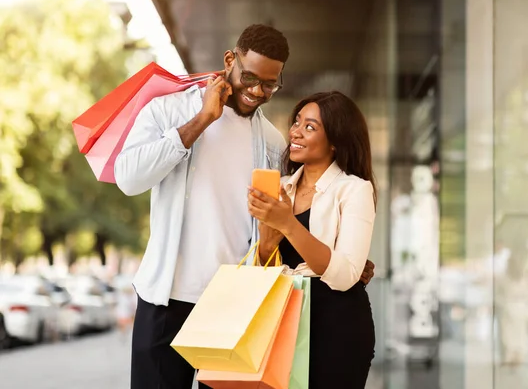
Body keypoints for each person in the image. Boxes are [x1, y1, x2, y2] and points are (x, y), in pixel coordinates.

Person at [114, 25, 375, 389]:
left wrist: (348, 260)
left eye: (270, 84)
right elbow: (129, 178)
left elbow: (285, 216)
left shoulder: (271, 140)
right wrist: (203, 119)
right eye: (250, 77)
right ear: (229, 60)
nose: (257, 91)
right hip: (167, 299)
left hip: (236, 305)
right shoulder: (168, 111)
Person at [248, 91, 377, 389]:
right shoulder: (279, 188)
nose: (295, 131)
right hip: (280, 321)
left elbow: (345, 275)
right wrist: (267, 244)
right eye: (296, 122)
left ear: (335, 140)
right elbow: (262, 269)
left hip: (337, 326)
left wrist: (287, 224)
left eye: (310, 127)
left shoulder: (354, 190)